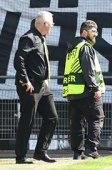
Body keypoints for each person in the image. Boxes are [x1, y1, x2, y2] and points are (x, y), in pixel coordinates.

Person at [14, 11, 58, 164]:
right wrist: (25, 80)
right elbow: (18, 60)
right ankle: (20, 156)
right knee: (27, 120)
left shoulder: (41, 38)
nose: (52, 26)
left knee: (52, 117)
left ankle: (40, 152)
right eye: (52, 23)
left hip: (42, 85)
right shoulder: (29, 38)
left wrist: (45, 81)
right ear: (45, 23)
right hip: (30, 86)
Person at [62, 20, 105, 160]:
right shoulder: (85, 47)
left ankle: (78, 152)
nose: (96, 34)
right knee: (97, 118)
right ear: (85, 32)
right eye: (93, 31)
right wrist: (95, 88)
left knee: (76, 122)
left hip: (73, 91)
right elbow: (88, 70)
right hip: (86, 91)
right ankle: (91, 148)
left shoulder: (72, 48)